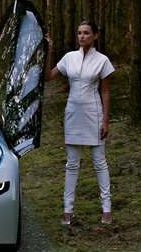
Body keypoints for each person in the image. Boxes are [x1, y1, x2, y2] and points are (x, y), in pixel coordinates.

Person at [45, 21, 115, 226]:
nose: (82, 36)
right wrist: (48, 49)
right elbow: (49, 77)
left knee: (99, 162)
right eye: (79, 33)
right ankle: (67, 210)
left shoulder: (102, 60)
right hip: (72, 114)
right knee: (72, 163)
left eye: (86, 33)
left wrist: (106, 120)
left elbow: (105, 91)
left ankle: (107, 209)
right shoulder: (69, 58)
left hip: (94, 114)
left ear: (95, 36)